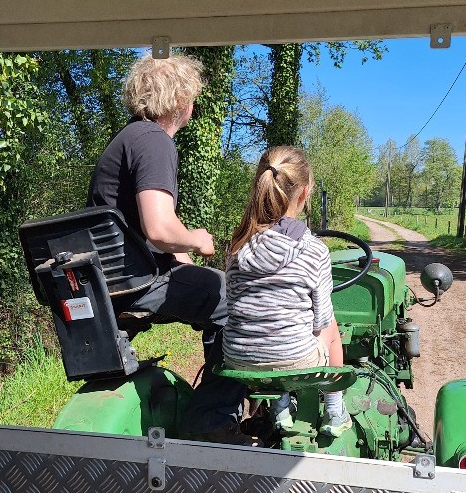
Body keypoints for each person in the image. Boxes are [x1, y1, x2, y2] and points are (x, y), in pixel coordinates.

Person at [87, 52, 246, 441]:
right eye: (192, 97)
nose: (193, 105)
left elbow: (141, 228)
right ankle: (213, 420)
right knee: (235, 298)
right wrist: (197, 239)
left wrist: (181, 254)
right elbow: (158, 227)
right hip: (136, 282)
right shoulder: (155, 141)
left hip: (110, 279)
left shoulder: (130, 138)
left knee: (209, 287)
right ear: (179, 100)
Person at [224, 145, 350, 436]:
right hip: (295, 358)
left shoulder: (237, 244)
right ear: (304, 193)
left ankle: (280, 407)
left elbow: (233, 305)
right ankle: (335, 411)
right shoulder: (314, 249)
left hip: (237, 357)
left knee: (268, 325)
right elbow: (321, 321)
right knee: (330, 327)